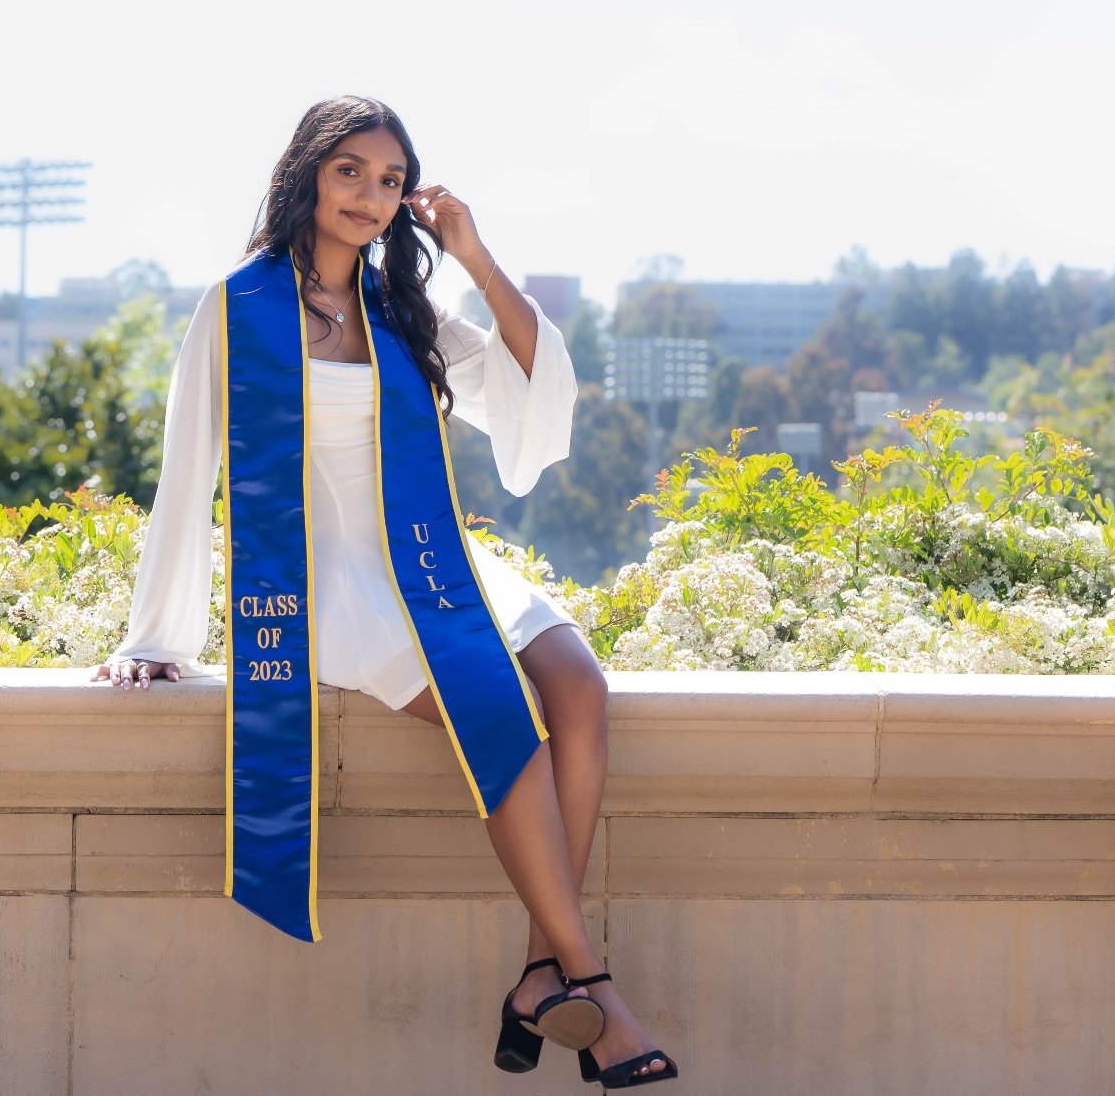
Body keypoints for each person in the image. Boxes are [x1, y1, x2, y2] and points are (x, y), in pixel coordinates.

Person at [88, 96, 676, 1087]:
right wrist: (157, 633)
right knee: (498, 714)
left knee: (578, 686)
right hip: (329, 578)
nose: (369, 195)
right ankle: (595, 986)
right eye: (350, 171)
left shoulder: (401, 310)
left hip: (432, 554)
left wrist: (473, 256)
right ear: (308, 174)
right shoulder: (239, 307)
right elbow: (186, 466)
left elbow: (531, 389)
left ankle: (541, 973)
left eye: (390, 179)